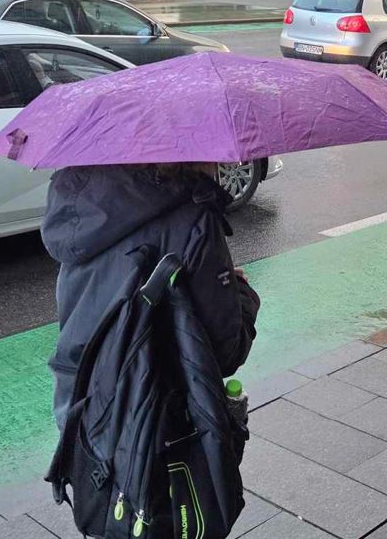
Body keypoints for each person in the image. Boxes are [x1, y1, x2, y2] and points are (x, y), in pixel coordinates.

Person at [42, 163, 260, 431]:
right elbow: (225, 353)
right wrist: (240, 293)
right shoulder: (194, 220)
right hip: (151, 420)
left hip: (77, 399)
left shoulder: (77, 204)